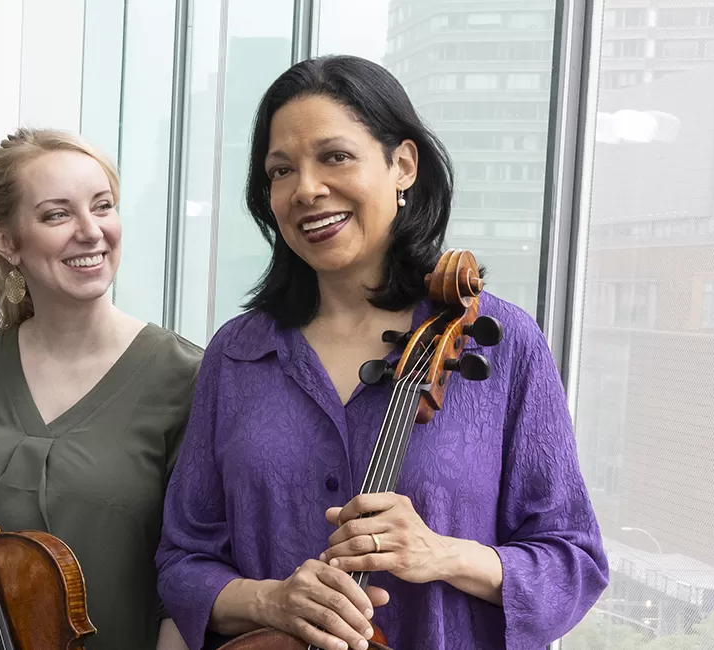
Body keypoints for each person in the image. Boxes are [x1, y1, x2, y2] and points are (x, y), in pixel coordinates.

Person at [154, 55, 608, 650]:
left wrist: (443, 553)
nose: (307, 188)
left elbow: (573, 562)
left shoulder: (503, 341)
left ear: (402, 165)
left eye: (334, 156)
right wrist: (271, 600)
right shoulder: (237, 354)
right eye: (281, 170)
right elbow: (183, 561)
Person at [0, 128, 203, 649]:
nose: (91, 231)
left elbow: (187, 585)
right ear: (6, 242)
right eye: (57, 214)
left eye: (103, 206)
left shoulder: (186, 379)